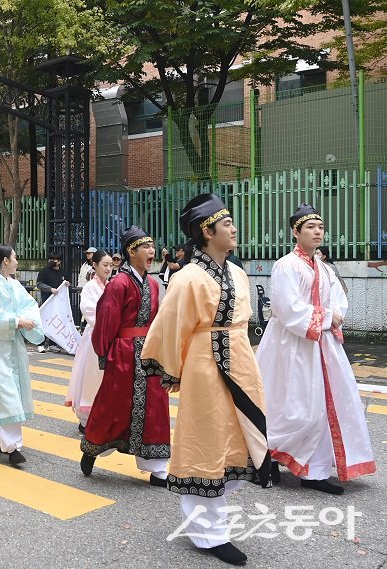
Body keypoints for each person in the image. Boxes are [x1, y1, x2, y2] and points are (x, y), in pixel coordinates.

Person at [143, 194, 272, 566]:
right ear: (206, 230)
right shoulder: (187, 277)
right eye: (226, 223)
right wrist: (170, 370)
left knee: (236, 437)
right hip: (204, 365)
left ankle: (214, 516)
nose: (233, 228)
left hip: (240, 359)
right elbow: (171, 325)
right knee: (206, 439)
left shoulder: (238, 272)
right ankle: (207, 532)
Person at [257, 204, 375, 495]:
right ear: (295, 232)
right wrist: (325, 317)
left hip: (321, 344)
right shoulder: (286, 265)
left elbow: (338, 301)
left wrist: (333, 316)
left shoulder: (323, 267)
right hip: (290, 345)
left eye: (320, 227)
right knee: (292, 405)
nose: (318, 231)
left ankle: (316, 470)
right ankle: (269, 456)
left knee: (323, 405)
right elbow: (287, 308)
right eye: (310, 227)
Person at [79, 226, 170, 485]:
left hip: (149, 355)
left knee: (156, 407)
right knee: (112, 406)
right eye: (146, 247)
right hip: (123, 353)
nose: (152, 251)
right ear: (132, 251)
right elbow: (106, 321)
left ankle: (158, 467)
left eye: (153, 246)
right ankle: (92, 448)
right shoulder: (118, 284)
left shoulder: (153, 284)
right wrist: (104, 353)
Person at [0, 245, 45, 465]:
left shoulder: (15, 285)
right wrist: (17, 321)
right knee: (6, 393)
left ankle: (0, 435)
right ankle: (12, 446)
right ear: (5, 261)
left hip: (14, 345)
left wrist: (27, 321)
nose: (17, 261)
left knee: (11, 390)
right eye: (15, 257)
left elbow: (30, 306)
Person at [66, 250, 113, 432]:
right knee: (91, 377)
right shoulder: (90, 287)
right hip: (95, 335)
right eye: (105, 265)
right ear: (95, 265)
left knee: (104, 378)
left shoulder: (111, 286)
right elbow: (89, 310)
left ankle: (102, 416)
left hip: (108, 336)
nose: (108, 269)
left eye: (111, 265)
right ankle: (86, 418)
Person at [35, 251, 67, 353]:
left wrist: (67, 284)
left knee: (55, 322)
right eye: (51, 259)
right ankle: (40, 343)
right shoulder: (44, 271)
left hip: (58, 303)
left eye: (55, 259)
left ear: (60, 261)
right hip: (46, 301)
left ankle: (53, 344)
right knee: (43, 322)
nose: (53, 261)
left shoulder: (63, 272)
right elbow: (39, 284)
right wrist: (50, 289)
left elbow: (67, 282)